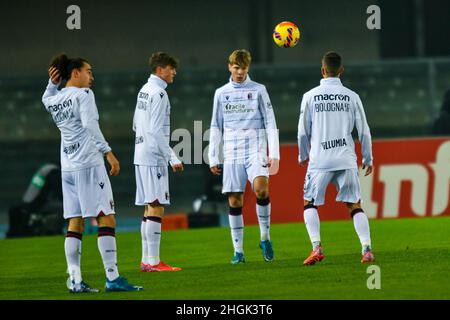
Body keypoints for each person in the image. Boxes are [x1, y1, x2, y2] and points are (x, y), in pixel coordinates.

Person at [42, 53, 143, 292]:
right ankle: (112, 277)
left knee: (75, 222)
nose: (92, 77)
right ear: (75, 73)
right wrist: (108, 152)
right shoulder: (83, 95)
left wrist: (51, 82)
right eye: (89, 71)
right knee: (105, 215)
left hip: (67, 167)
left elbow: (46, 97)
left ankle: (75, 280)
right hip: (88, 164)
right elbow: (89, 125)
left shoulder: (55, 99)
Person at [297, 51, 375, 265]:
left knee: (309, 202)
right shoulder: (352, 96)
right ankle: (366, 249)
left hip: (320, 160)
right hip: (346, 159)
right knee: (354, 205)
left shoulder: (309, 96)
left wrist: (303, 155)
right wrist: (368, 159)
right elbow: (364, 131)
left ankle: (316, 247)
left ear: (322, 70)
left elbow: (303, 131)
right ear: (341, 71)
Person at [208, 49, 280, 264]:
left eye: (244, 68)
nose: (240, 72)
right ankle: (238, 251)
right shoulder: (221, 93)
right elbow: (215, 125)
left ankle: (265, 238)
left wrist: (273, 154)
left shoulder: (259, 90)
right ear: (229, 67)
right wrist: (213, 156)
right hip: (231, 152)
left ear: (248, 68)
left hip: (255, 150)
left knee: (261, 189)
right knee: (235, 200)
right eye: (236, 67)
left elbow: (270, 121)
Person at [133, 52, 183, 272]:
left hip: (140, 153)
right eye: (171, 68)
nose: (174, 73)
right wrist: (172, 157)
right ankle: (154, 262)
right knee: (156, 206)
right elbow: (155, 130)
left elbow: (136, 123)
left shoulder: (144, 90)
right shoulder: (160, 94)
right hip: (153, 157)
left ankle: (146, 260)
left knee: (148, 208)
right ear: (160, 69)